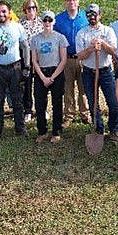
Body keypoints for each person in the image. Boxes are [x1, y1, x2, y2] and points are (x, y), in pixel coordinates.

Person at [0, 0, 30, 138]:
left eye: (4, 11)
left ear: (9, 12)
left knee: (17, 99)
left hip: (15, 67)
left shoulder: (17, 27)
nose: (1, 14)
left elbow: (25, 46)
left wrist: (26, 66)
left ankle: (20, 129)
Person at [76, 4, 118, 138]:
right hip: (89, 72)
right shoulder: (82, 33)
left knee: (113, 103)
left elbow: (114, 52)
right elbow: (80, 56)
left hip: (105, 71)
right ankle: (99, 129)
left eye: (94, 14)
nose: (92, 17)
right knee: (93, 103)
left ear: (100, 15)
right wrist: (90, 49)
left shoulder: (108, 31)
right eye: (89, 15)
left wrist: (103, 44)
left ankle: (113, 129)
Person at [31, 10, 68, 144]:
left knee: (57, 103)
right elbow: (34, 60)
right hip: (41, 73)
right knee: (40, 104)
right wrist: (42, 77)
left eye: (50, 20)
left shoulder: (60, 38)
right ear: (41, 21)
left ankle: (56, 131)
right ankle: (42, 131)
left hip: (56, 72)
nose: (47, 23)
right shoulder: (35, 39)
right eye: (45, 20)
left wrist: (52, 77)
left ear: (54, 21)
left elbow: (63, 60)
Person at [54, 0, 90, 126]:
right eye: (69, 0)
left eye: (74, 0)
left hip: (83, 58)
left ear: (78, 1)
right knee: (67, 88)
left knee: (83, 88)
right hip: (66, 59)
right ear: (65, 3)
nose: (72, 3)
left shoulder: (85, 18)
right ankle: (69, 115)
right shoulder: (59, 20)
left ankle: (85, 113)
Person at [20, 0, 44, 123]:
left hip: (40, 56)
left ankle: (42, 109)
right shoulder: (20, 24)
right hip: (26, 56)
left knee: (40, 84)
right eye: (29, 8)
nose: (31, 10)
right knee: (27, 85)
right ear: (25, 9)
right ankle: (28, 110)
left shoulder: (41, 22)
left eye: (33, 7)